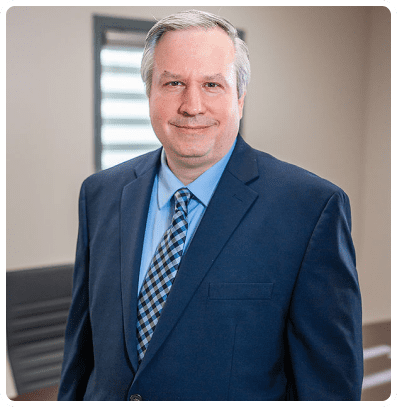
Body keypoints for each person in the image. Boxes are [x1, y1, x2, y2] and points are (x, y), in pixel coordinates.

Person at [58, 9, 363, 401]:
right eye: (173, 83)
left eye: (212, 85)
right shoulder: (100, 195)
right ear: (149, 90)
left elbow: (330, 390)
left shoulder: (311, 210)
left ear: (239, 97)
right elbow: (81, 360)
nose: (192, 105)